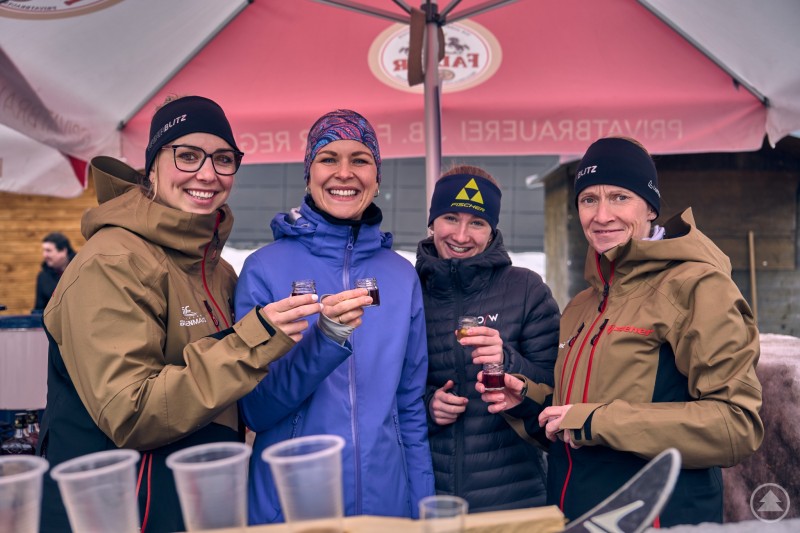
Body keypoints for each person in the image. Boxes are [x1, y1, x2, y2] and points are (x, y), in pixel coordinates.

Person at [37, 95, 322, 533]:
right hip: (119, 514)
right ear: (152, 168)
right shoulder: (112, 261)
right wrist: (256, 339)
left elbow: (228, 392)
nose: (207, 174)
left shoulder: (218, 270)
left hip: (193, 510)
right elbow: (132, 413)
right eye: (187, 156)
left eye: (223, 159)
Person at [478, 137, 764, 527]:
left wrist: (597, 421)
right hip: (575, 518)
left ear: (650, 208)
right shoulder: (582, 304)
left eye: (619, 197)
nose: (601, 215)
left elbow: (736, 425)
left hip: (656, 520)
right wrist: (527, 401)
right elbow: (575, 420)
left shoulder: (696, 288)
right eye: (588, 199)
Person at [236, 109, 434, 524]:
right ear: (308, 173)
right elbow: (255, 409)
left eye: (360, 160)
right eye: (328, 159)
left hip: (387, 509)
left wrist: (424, 511)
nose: (345, 173)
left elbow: (410, 408)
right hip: (292, 508)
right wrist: (325, 339)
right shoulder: (264, 269)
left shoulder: (401, 276)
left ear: (377, 178)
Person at [416, 165, 560, 512]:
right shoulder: (409, 290)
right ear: (433, 222)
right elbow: (384, 387)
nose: (461, 235)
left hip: (516, 495)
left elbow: (558, 389)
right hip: (429, 494)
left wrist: (507, 361)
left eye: (477, 223)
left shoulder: (526, 289)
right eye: (451, 218)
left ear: (492, 230)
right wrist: (427, 405)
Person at [32, 232, 75, 312]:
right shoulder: (43, 277)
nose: (44, 255)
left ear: (63, 251)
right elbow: (39, 310)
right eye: (44, 251)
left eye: (48, 251)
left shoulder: (80, 270)